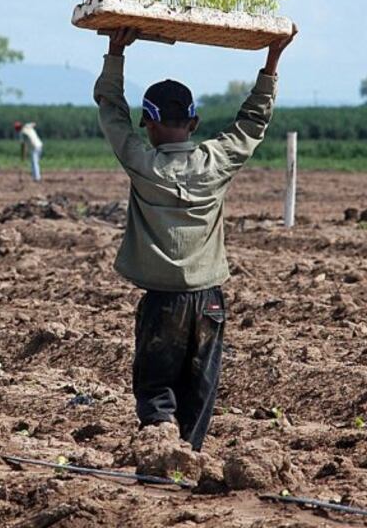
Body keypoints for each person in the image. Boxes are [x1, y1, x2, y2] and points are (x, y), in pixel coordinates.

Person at [94, 25, 297, 453]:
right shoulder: (216, 161)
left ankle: (162, 452)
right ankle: (189, 455)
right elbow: (254, 120)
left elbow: (111, 111)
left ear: (147, 123)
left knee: (155, 387)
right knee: (200, 387)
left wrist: (116, 52)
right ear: (194, 122)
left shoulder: (143, 163)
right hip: (209, 301)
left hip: (162, 301)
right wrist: (272, 59)